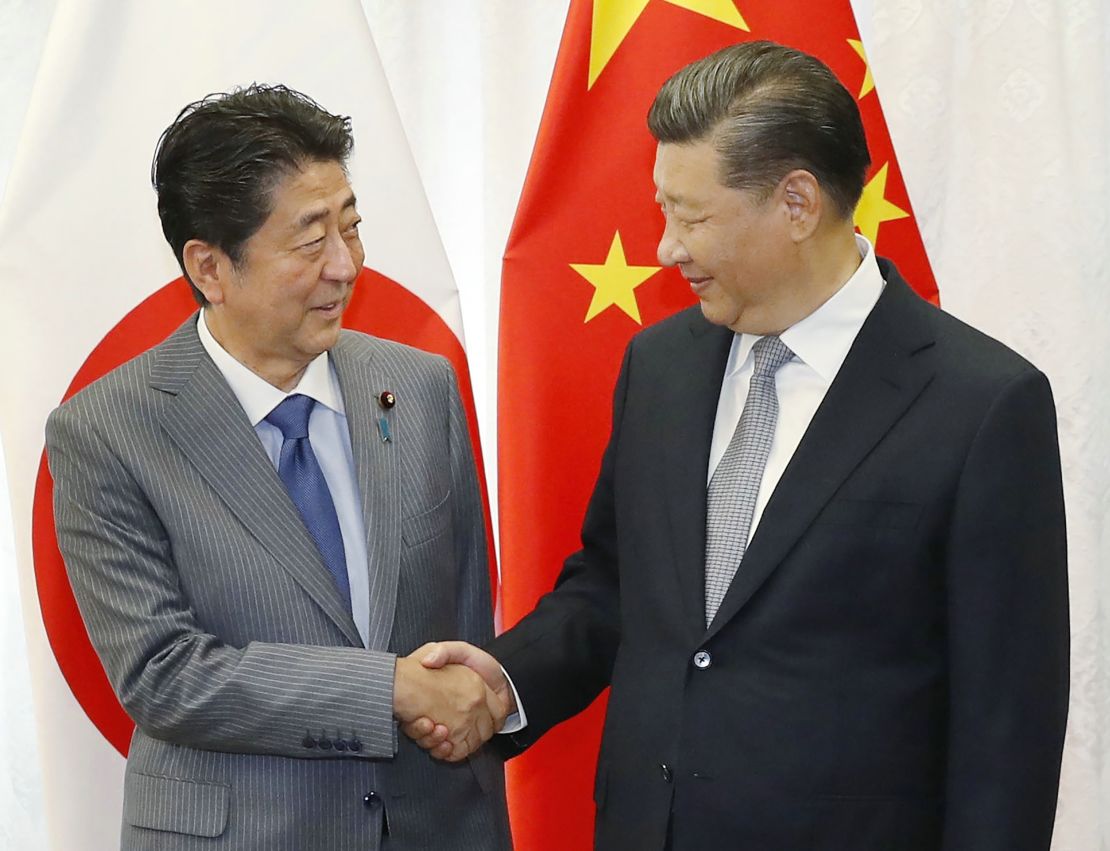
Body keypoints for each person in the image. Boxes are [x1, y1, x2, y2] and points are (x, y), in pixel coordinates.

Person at [409, 41, 1070, 850]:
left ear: (797, 203)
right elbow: (616, 588)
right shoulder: (662, 364)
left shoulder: (981, 405)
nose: (666, 249)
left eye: (691, 216)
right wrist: (503, 681)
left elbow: (1007, 727)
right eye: (663, 211)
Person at [45, 84, 511, 850]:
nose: (345, 265)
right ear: (211, 267)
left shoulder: (421, 386)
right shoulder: (109, 431)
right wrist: (387, 687)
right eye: (309, 241)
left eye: (351, 228)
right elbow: (165, 673)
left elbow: (462, 630)